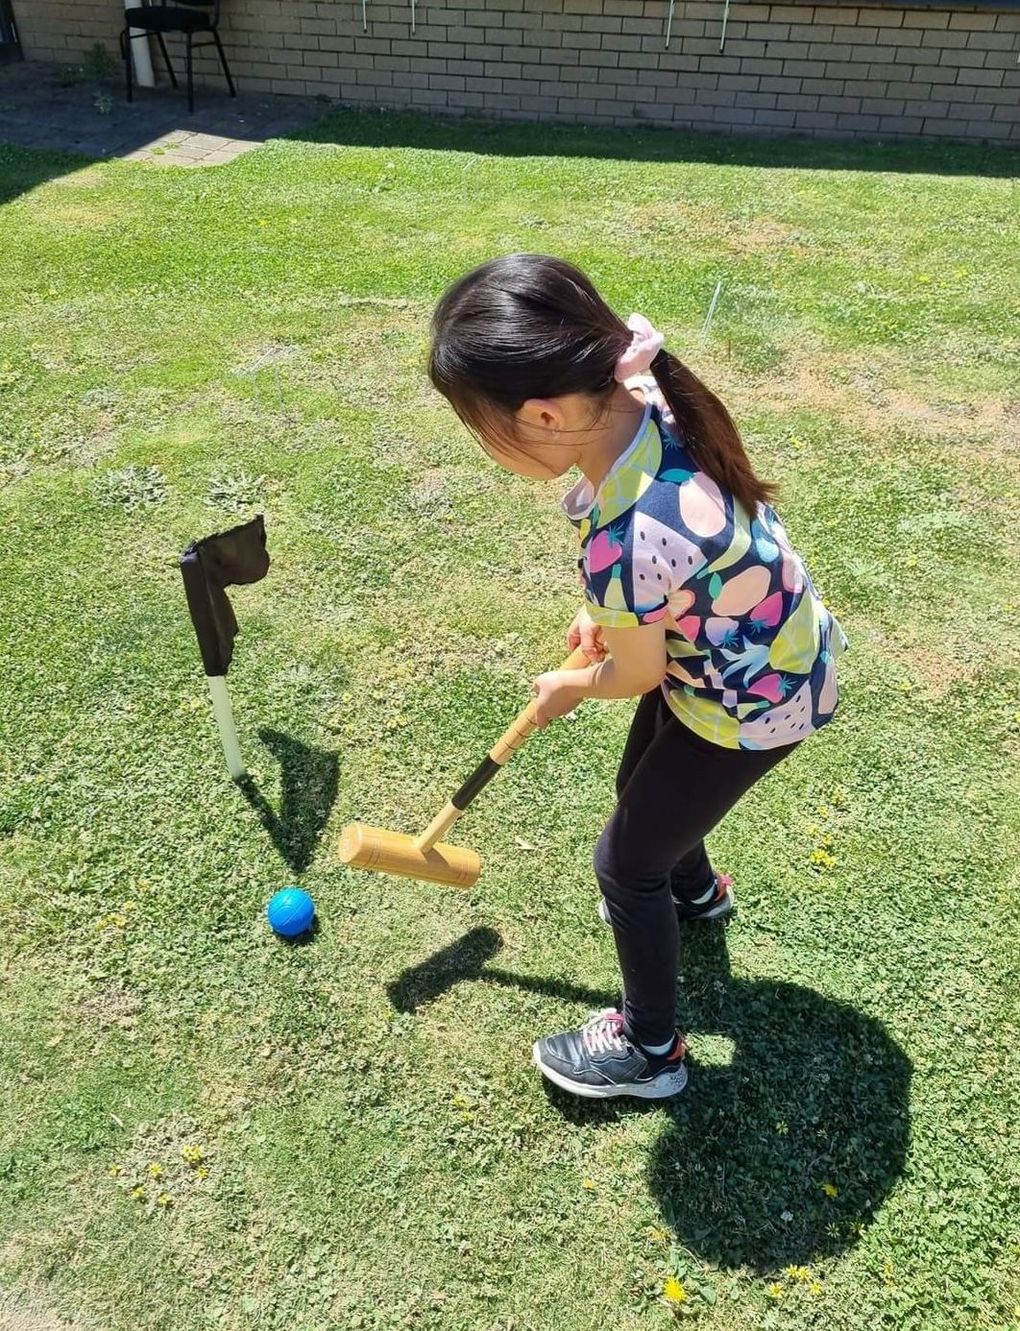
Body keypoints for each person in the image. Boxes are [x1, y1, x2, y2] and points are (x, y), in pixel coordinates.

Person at [428, 254, 846, 1100]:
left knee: (623, 864)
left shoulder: (625, 538)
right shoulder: (647, 398)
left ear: (544, 414)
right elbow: (656, 618)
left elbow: (632, 672)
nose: (488, 449)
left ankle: (650, 1050)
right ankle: (694, 890)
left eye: (484, 429)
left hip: (752, 699)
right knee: (641, 790)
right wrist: (619, 624)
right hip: (761, 651)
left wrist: (571, 684)